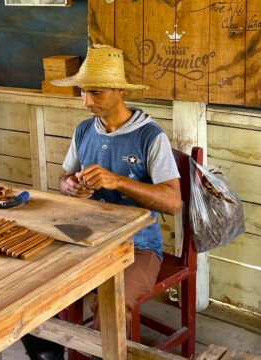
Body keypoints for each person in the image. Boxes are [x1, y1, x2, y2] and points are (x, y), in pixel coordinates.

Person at [58, 44, 180, 331]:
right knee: (41, 278)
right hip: (88, 236)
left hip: (138, 246)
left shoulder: (151, 136)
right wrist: (71, 186)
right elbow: (63, 177)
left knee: (112, 298)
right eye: (83, 92)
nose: (87, 101)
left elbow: (174, 202)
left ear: (120, 91)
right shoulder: (84, 130)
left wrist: (119, 181)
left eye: (96, 92)